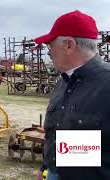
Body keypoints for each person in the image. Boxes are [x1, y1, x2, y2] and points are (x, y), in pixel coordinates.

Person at [34, 10, 110, 180]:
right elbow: (58, 130)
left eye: (50, 45)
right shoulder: (65, 80)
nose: (49, 53)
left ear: (69, 45)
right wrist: (46, 168)